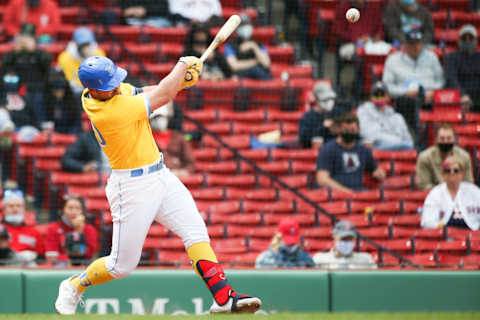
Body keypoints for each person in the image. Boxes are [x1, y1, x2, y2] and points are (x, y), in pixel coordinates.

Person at [54, 55, 261, 314]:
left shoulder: (105, 93)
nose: (117, 86)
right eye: (110, 85)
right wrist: (182, 66)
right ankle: (75, 284)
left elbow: (144, 92)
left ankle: (223, 297)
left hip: (160, 174)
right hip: (131, 186)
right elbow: (162, 95)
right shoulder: (109, 112)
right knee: (121, 266)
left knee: (196, 233)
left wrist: (181, 83)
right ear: (95, 90)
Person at [382, 29, 444, 132]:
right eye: (412, 43)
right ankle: (414, 135)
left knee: (444, 100)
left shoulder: (432, 57)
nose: (415, 47)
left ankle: (436, 133)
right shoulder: (393, 60)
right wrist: (405, 92)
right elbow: (387, 85)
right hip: (405, 99)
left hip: (430, 96)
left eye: (418, 43)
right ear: (405, 44)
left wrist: (434, 92)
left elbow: (441, 80)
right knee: (407, 103)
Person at [316, 113, 386, 193]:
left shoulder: (363, 150)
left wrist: (379, 173)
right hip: (336, 196)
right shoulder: (328, 149)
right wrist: (348, 192)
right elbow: (322, 180)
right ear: (339, 129)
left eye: (352, 130)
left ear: (358, 129)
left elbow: (375, 170)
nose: (349, 133)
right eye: (346, 130)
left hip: (359, 193)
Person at [1, 23, 52, 125]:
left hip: (37, 91)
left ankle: (40, 124)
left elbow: (47, 62)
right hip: (16, 91)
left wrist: (34, 50)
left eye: (29, 37)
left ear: (34, 38)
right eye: (24, 36)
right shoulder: (14, 54)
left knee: (37, 96)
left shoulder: (40, 53)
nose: (25, 39)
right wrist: (15, 52)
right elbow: (4, 69)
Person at [421, 156, 480, 231]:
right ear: (443, 174)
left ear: (462, 173)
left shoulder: (474, 191)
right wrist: (441, 227)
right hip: (445, 234)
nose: (452, 173)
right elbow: (427, 222)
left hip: (473, 233)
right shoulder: (435, 193)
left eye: (456, 170)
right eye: (447, 171)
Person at [357, 81, 414, 150]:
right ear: (371, 97)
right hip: (377, 147)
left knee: (409, 146)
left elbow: (408, 140)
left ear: (388, 97)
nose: (379, 97)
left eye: (382, 94)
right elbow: (369, 136)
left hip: (399, 147)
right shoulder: (364, 111)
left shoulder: (397, 117)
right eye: (376, 94)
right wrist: (396, 141)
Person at [416, 123, 474, 190]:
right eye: (442, 138)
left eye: (449, 138)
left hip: (460, 196)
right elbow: (424, 185)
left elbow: (469, 183)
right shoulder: (425, 157)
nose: (445, 141)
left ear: (454, 139)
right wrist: (445, 193)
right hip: (435, 197)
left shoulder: (464, 157)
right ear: (436, 139)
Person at [45, 195, 98, 266]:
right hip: (60, 265)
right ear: (63, 210)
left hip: (83, 264)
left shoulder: (89, 229)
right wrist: (69, 259)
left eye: (78, 208)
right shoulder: (53, 228)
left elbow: (88, 255)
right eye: (70, 208)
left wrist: (79, 231)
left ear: (82, 211)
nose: (74, 212)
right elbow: (51, 255)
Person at [298, 82, 349, 149]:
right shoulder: (308, 117)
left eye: (331, 98)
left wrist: (340, 129)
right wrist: (323, 127)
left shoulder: (340, 113)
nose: (329, 102)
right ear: (316, 100)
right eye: (325, 99)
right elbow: (303, 138)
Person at [58, 27, 106, 96]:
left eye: (88, 45)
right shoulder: (65, 58)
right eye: (84, 45)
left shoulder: (99, 54)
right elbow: (68, 81)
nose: (87, 49)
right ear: (76, 45)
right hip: (74, 93)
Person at [150, 103, 195, 177]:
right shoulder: (147, 138)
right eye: (156, 118)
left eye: (162, 117)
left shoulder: (178, 137)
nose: (159, 121)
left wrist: (181, 172)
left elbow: (190, 163)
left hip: (176, 177)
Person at [2, 189, 44, 266]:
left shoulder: (34, 232)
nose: (15, 209)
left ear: (24, 209)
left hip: (28, 268)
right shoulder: (1, 229)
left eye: (18, 206)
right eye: (11, 206)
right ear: (4, 209)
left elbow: (42, 257)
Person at [444, 24, 480, 112]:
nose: (467, 41)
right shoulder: (451, 57)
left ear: (476, 40)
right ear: (459, 40)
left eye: (470, 38)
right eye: (464, 38)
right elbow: (451, 79)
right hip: (458, 97)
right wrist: (462, 95)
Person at [224, 14, 271, 80]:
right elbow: (234, 66)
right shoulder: (230, 45)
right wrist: (255, 62)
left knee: (260, 72)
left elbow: (266, 64)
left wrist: (254, 47)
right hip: (241, 77)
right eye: (242, 26)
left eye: (247, 25)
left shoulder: (258, 45)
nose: (245, 28)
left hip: (260, 77)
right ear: (237, 29)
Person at [45, 70, 82, 134]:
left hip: (71, 131)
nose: (59, 93)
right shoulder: (48, 100)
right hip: (55, 132)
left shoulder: (73, 100)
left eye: (61, 91)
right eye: (56, 91)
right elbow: (47, 120)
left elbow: (77, 123)